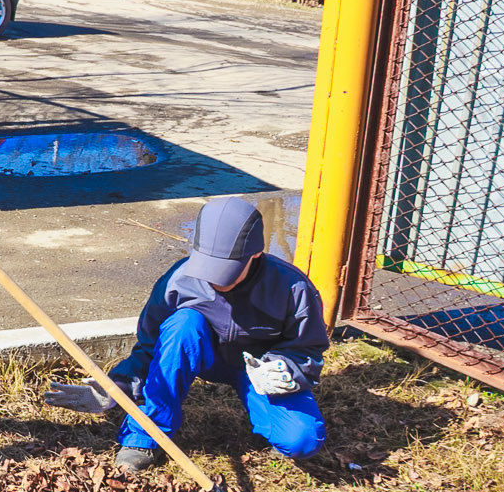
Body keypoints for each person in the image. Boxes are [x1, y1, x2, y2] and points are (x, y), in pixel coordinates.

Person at [45, 198, 329, 469]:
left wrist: (285, 368)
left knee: (301, 440)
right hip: (199, 353)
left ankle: (267, 411)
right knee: (184, 323)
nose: (215, 280)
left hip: (256, 370)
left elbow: (308, 349)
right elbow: (149, 348)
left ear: (255, 253)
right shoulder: (178, 281)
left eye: (226, 269)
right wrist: (116, 387)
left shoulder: (293, 288)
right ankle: (145, 436)